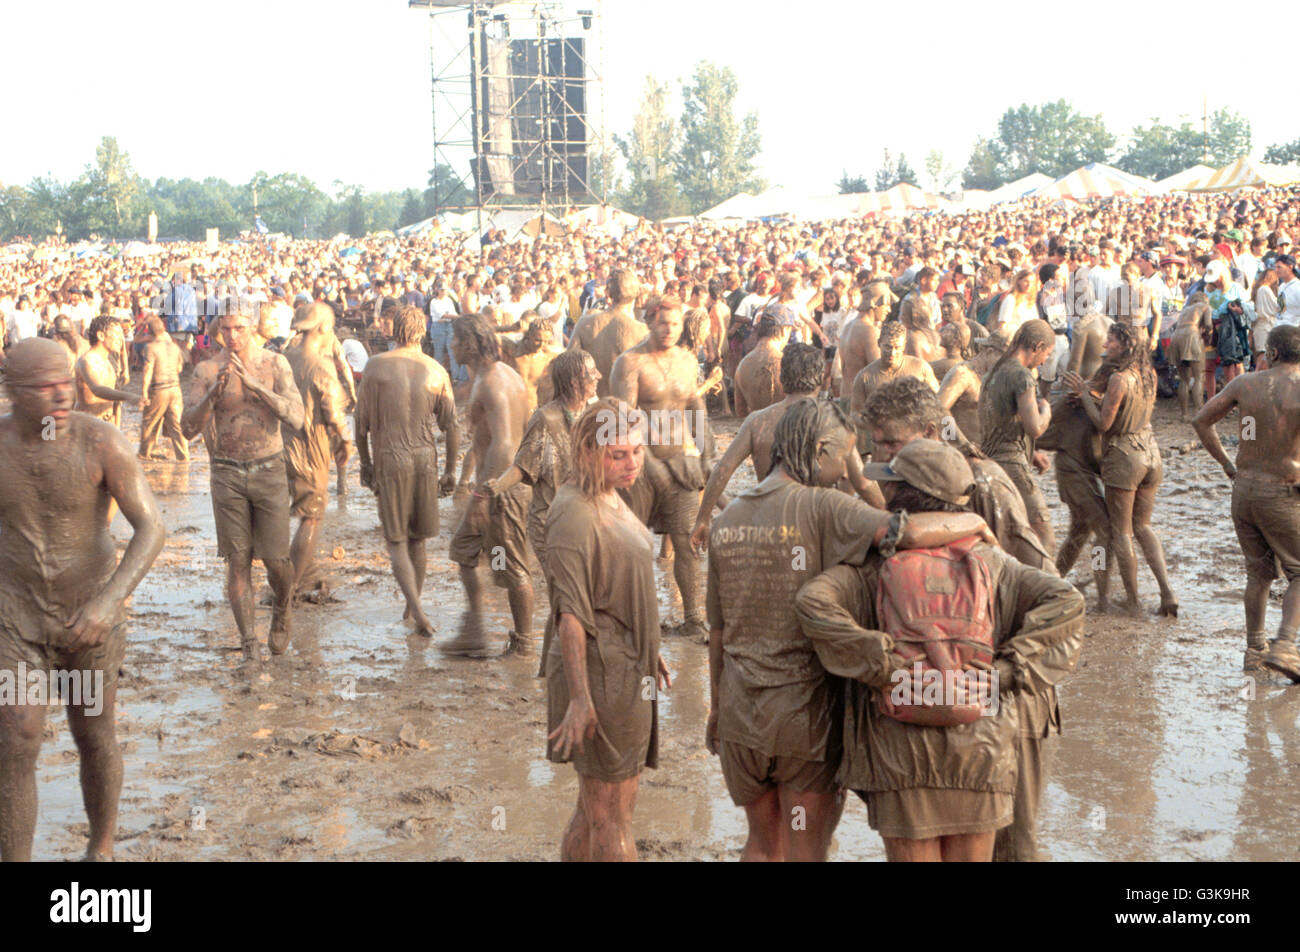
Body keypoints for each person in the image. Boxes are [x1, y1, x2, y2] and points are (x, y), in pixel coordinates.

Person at [706, 402, 995, 861]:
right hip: (805, 720)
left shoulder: (727, 520)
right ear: (820, 450)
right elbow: (905, 532)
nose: (849, 471)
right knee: (807, 851)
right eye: (845, 456)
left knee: (762, 845)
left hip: (741, 716)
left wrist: (717, 709)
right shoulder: (823, 506)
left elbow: (717, 632)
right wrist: (973, 522)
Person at [795, 439, 1085, 862]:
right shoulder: (996, 564)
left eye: (890, 484)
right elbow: (1068, 602)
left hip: (901, 754)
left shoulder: (873, 567)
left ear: (901, 494)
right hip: (981, 745)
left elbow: (812, 605)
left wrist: (885, 666)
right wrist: (1006, 672)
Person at [0, 338, 166, 861]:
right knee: (17, 739)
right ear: (12, 392)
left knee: (92, 732)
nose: (61, 395)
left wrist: (107, 604)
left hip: (89, 619)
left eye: (66, 381)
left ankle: (102, 845)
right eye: (44, 387)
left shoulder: (101, 443)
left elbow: (151, 529)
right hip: (15, 621)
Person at [543, 399, 671, 862]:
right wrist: (580, 699)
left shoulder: (606, 493)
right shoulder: (574, 514)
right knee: (612, 817)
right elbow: (570, 615)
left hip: (623, 664)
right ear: (586, 451)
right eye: (618, 454)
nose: (632, 463)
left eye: (638, 451)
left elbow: (612, 583)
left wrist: (649, 645)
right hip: (599, 674)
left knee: (592, 807)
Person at [181, 303, 305, 662]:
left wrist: (256, 388)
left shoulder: (274, 363)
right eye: (226, 329)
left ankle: (282, 606)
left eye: (239, 328)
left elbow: (297, 416)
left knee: (276, 560)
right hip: (226, 471)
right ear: (219, 329)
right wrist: (211, 396)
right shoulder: (206, 369)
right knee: (237, 559)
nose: (232, 336)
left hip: (268, 468)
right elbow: (188, 427)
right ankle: (249, 640)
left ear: (253, 327)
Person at [1194, 325, 1300, 676]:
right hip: (1283, 491)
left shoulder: (1245, 384)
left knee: (1258, 573)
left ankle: (1255, 651)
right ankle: (1285, 645)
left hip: (1245, 490)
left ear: (1270, 354)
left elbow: (1201, 420)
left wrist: (1227, 464)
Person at [611, 293, 712, 640]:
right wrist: (648, 464)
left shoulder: (687, 359)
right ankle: (628, 616)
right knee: (632, 544)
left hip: (681, 462)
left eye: (675, 324)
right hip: (637, 467)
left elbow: (695, 406)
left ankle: (693, 617)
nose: (669, 330)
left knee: (686, 543)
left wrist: (706, 453)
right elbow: (624, 420)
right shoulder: (630, 362)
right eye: (663, 323)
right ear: (649, 322)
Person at [355, 303, 459, 638]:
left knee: (396, 541)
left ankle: (416, 611)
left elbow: (361, 426)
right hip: (426, 460)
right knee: (419, 541)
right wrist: (451, 472)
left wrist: (366, 464)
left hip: (392, 458)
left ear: (392, 329)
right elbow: (453, 427)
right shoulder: (436, 370)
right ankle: (413, 606)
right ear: (424, 329)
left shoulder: (376, 367)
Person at [1064, 322, 1178, 618]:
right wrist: (1091, 392)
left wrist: (1084, 395)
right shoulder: (1148, 373)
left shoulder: (1120, 378)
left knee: (1122, 532)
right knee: (1143, 527)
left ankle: (1133, 601)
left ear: (1125, 345)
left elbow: (1104, 424)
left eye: (1111, 341)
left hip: (1124, 456)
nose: (1105, 345)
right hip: (1151, 451)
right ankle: (1167, 592)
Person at [445, 313, 534, 657]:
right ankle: (475, 630)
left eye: (455, 340)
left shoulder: (493, 383)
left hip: (501, 488)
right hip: (501, 484)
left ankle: (522, 642)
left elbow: (505, 444)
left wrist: (484, 494)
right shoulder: (501, 375)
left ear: (469, 343)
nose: (450, 345)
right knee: (472, 552)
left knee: (511, 565)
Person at [483, 349, 599, 574]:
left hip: (587, 518)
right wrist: (499, 486)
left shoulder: (595, 415)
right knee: (564, 592)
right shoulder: (545, 418)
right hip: (551, 521)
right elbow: (523, 464)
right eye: (592, 373)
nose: (599, 376)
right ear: (575, 382)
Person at [282, 304, 351, 599]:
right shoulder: (320, 365)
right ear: (323, 328)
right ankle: (290, 589)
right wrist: (345, 442)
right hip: (310, 447)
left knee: (297, 512)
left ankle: (303, 575)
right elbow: (333, 414)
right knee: (311, 515)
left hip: (282, 443)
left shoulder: (285, 358)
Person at [978, 320, 1056, 557]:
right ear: (1037, 346)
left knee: (1007, 537)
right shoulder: (1022, 376)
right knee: (1043, 536)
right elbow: (1035, 428)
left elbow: (998, 422)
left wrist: (1030, 454)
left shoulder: (994, 371)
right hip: (1012, 466)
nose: (1043, 362)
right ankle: (1048, 591)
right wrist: (1047, 412)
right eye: (1046, 355)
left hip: (990, 463)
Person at [849, 321, 938, 456]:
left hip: (917, 446)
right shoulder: (865, 377)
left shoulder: (921, 368)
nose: (892, 352)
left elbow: (938, 403)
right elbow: (855, 414)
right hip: (883, 448)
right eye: (887, 347)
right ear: (879, 344)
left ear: (904, 347)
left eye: (897, 347)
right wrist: (876, 426)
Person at [585, 269, 647, 398]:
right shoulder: (642, 331)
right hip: (625, 408)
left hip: (593, 404)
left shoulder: (585, 324)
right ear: (635, 294)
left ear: (609, 293)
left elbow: (568, 367)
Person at [137, 316, 189, 461]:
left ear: (150, 332)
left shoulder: (150, 347)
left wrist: (143, 393)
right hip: (175, 388)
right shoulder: (174, 346)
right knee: (177, 426)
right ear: (163, 329)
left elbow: (147, 370)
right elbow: (179, 368)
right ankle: (184, 457)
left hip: (159, 389)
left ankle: (144, 454)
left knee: (149, 422)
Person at [75, 314, 140, 424]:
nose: (121, 339)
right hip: (87, 424)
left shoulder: (108, 361)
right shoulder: (88, 360)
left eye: (122, 334)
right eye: (116, 334)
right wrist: (129, 396)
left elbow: (111, 397)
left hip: (105, 422)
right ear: (101, 335)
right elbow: (98, 390)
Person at [732, 311, 792, 417]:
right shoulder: (788, 364)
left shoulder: (742, 365)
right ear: (784, 330)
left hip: (758, 429)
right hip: (783, 429)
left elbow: (741, 411)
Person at [1166, 295, 1212, 420]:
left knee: (1183, 379)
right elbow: (1208, 324)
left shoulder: (1184, 310)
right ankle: (1199, 412)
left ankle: (1184, 414)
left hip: (1176, 337)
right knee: (1198, 377)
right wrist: (1209, 334)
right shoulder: (1205, 307)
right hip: (1191, 335)